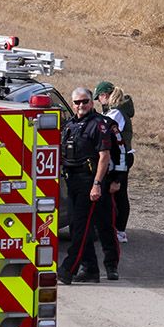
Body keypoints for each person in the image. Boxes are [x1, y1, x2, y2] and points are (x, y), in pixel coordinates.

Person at [58, 87, 121, 284]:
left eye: (84, 101)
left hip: (90, 181)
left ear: (91, 102)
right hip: (72, 180)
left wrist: (98, 184)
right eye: (77, 102)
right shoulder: (69, 125)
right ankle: (91, 269)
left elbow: (105, 157)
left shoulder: (99, 125)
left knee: (87, 227)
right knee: (76, 225)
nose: (81, 105)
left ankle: (68, 269)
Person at [94, 81, 135, 243]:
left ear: (104, 95)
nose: (99, 101)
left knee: (119, 193)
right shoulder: (118, 111)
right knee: (117, 193)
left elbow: (103, 128)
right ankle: (115, 228)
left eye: (99, 98)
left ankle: (120, 231)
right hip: (121, 156)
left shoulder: (116, 113)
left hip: (121, 158)